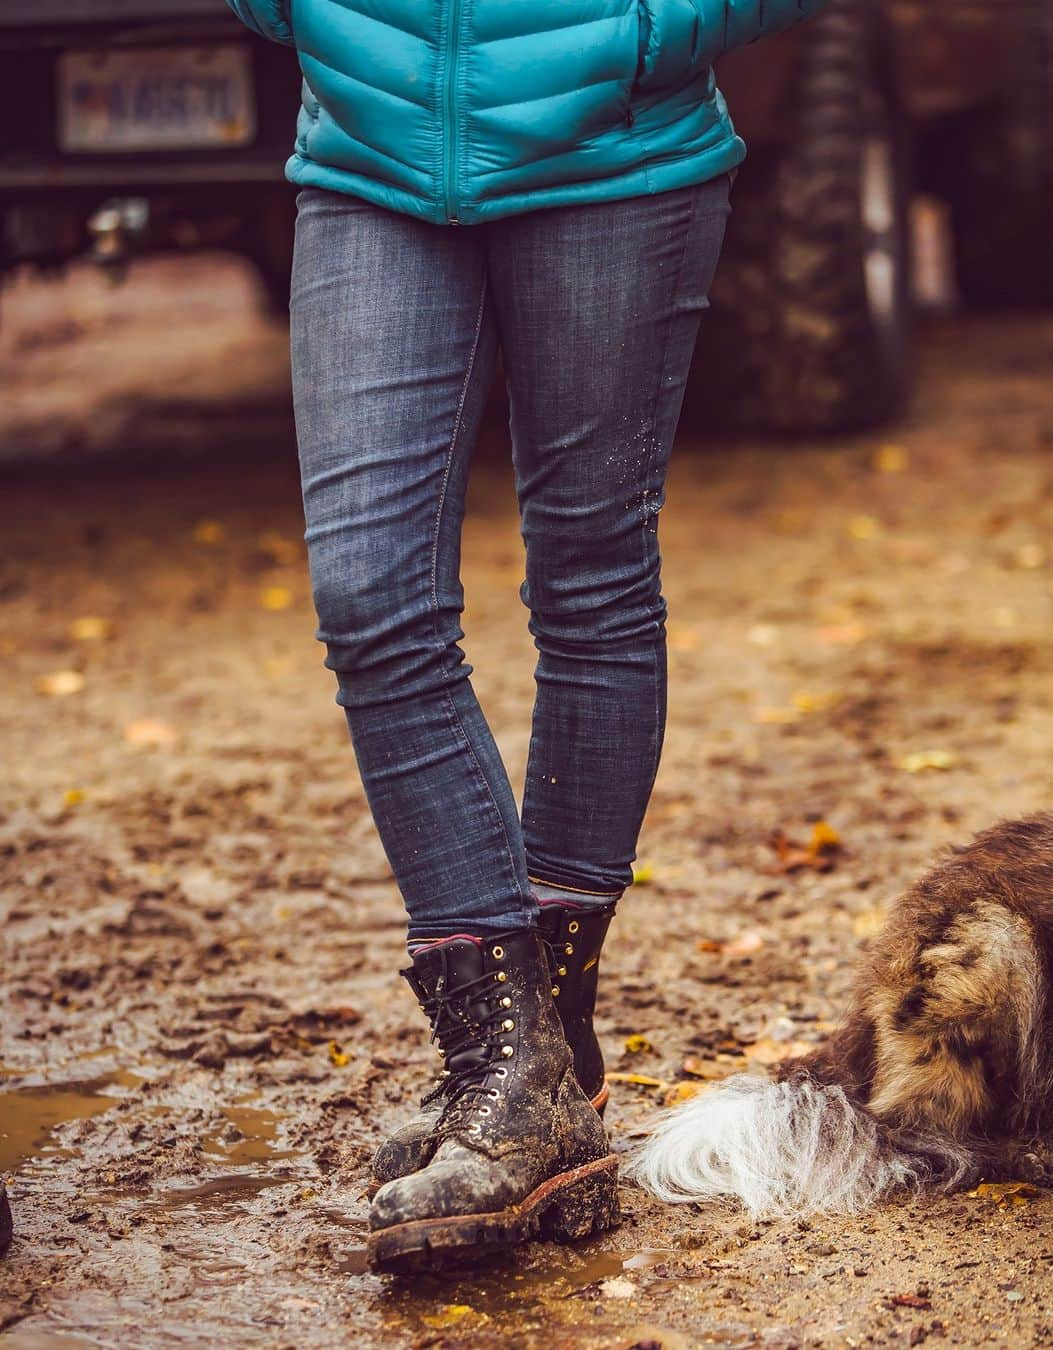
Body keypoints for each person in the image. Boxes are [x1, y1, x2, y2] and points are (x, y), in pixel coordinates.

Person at [226, 0, 828, 1273]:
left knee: (593, 582)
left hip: (615, 153)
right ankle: (515, 1061)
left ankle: (527, 1067)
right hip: (371, 152)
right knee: (368, 595)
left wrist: (645, 34)